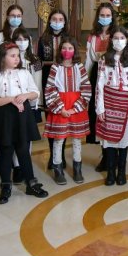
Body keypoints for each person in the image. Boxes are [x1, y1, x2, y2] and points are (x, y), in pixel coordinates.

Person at [0, 42, 49, 203]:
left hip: (22, 115)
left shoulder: (24, 73)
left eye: (18, 55)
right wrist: (11, 99)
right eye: (12, 56)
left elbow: (35, 92)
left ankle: (31, 183)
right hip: (4, 116)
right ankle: (6, 186)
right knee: (6, 152)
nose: (16, 58)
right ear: (2, 57)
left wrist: (25, 96)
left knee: (23, 150)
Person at [96, 27, 128, 187]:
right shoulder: (104, 59)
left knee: (123, 140)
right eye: (115, 38)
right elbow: (100, 84)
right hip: (109, 101)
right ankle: (110, 172)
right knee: (109, 140)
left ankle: (122, 171)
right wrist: (100, 108)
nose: (118, 41)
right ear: (111, 40)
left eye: (121, 38)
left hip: (125, 104)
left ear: (127, 40)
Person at [44, 37, 91, 185]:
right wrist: (60, 108)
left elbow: (86, 88)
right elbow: (49, 89)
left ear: (75, 51)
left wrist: (75, 108)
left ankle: (77, 169)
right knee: (59, 140)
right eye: (64, 48)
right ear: (60, 50)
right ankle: (57, 169)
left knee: (77, 140)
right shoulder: (55, 68)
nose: (67, 51)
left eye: (70, 48)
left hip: (76, 109)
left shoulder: (80, 67)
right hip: (60, 107)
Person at [37, 9, 71, 173]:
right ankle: (52, 155)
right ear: (49, 21)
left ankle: (61, 155)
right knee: (51, 118)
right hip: (47, 79)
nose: (57, 22)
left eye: (60, 19)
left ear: (64, 22)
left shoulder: (69, 39)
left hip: (64, 81)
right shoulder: (42, 39)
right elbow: (38, 61)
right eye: (54, 19)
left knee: (62, 118)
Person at [86, 4, 115, 168]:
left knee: (111, 113)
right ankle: (105, 155)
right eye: (102, 15)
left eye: (108, 14)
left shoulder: (116, 35)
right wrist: (86, 81)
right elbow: (89, 61)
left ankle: (113, 154)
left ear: (112, 16)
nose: (105, 17)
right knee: (99, 114)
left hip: (112, 75)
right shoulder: (92, 36)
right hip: (97, 74)